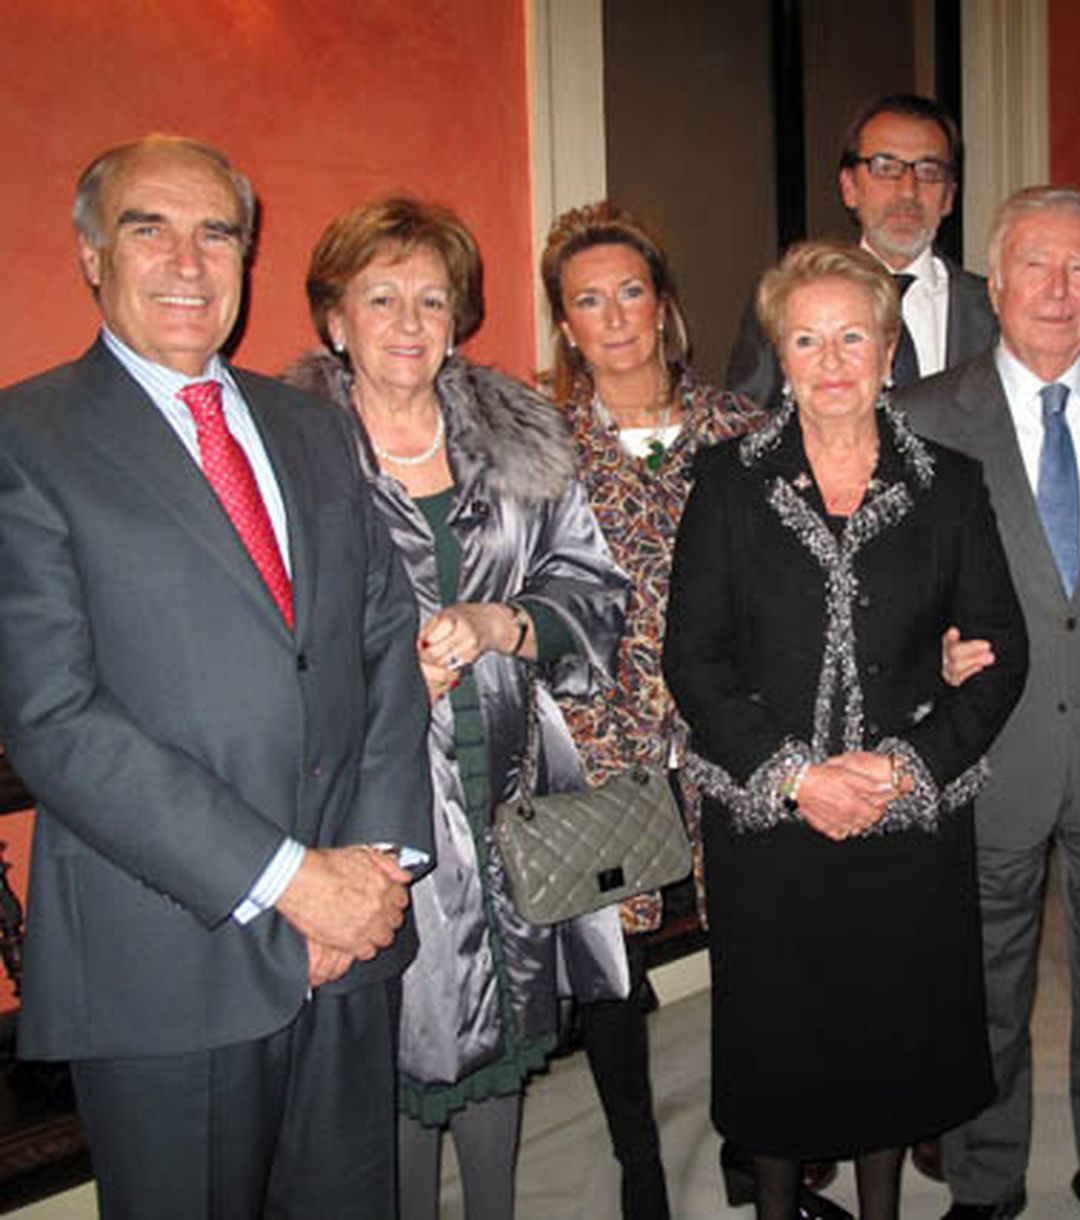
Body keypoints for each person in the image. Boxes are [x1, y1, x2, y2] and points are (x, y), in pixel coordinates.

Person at [0, 135, 432, 1218]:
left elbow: (383, 634)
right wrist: (292, 880)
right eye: (150, 227)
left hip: (351, 946)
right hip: (168, 959)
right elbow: (52, 717)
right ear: (92, 253)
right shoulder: (25, 438)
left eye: (217, 232)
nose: (188, 261)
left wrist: (370, 870)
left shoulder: (312, 425)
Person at [664, 240, 1027, 1220]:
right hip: (769, 824)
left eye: (851, 336)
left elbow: (1000, 651)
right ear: (780, 353)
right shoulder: (730, 481)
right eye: (806, 338)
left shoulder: (949, 482)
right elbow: (692, 660)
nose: (830, 361)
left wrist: (905, 766)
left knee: (890, 1043)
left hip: (904, 820)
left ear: (887, 346)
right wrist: (796, 776)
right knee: (779, 1047)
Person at [286, 195, 629, 1220]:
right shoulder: (293, 455)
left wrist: (498, 623)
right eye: (379, 296)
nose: (406, 320)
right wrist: (384, 673)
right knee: (397, 1032)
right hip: (365, 796)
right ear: (333, 319)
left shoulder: (518, 440)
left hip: (510, 784)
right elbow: (262, 635)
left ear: (459, 315)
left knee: (505, 1027)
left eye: (430, 298)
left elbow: (591, 588)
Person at [900, 186, 1080, 1220]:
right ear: (996, 282)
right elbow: (883, 582)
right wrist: (914, 656)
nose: (1058, 290)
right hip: (987, 749)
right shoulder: (924, 415)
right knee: (980, 987)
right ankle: (984, 1182)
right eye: (1036, 265)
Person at [535, 200, 760, 1219]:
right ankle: (638, 1162)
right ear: (567, 326)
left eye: (631, 290)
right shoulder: (537, 449)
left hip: (735, 729)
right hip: (599, 733)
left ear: (663, 305)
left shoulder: (743, 428)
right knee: (610, 962)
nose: (615, 314)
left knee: (753, 941)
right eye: (589, 299)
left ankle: (755, 1141)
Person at [725, 94, 997, 408]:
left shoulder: (995, 312)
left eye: (928, 171)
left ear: (949, 196)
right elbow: (748, 426)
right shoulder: (787, 301)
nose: (907, 190)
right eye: (886, 167)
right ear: (849, 187)